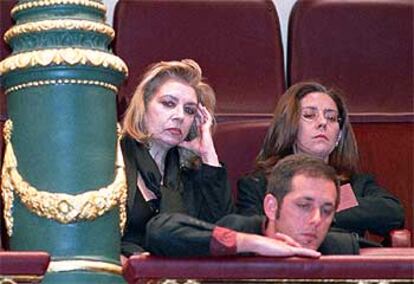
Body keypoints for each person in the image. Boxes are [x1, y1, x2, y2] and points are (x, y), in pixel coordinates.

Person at [237, 81, 404, 240]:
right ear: (290, 127)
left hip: (342, 266)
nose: (323, 122)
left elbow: (393, 213)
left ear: (338, 136)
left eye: (331, 118)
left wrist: (323, 212)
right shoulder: (258, 184)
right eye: (310, 115)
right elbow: (248, 232)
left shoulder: (354, 184)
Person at [120, 59, 233, 257]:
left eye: (189, 110)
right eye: (168, 104)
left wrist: (208, 155)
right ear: (143, 107)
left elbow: (221, 234)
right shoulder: (115, 157)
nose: (179, 116)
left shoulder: (191, 173)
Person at [145, 154, 359, 257]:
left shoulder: (340, 247)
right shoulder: (238, 230)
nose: (316, 220)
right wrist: (253, 244)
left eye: (327, 210)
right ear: (271, 207)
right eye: (304, 205)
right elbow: (159, 231)